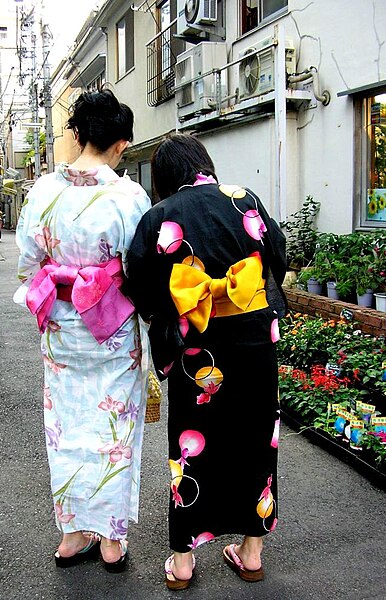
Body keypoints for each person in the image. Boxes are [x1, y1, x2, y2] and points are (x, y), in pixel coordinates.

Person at [127, 133, 287, 590]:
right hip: (255, 343)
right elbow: (277, 253)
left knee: (192, 447)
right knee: (257, 440)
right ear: (205, 164)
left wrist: (171, 309)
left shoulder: (160, 217)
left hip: (199, 349)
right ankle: (251, 554)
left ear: (164, 178)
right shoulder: (245, 199)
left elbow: (139, 283)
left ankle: (181, 562)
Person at [13, 89, 151, 571]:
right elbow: (142, 268)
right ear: (120, 143)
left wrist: (63, 277)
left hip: (62, 332)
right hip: (112, 330)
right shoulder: (129, 196)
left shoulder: (42, 193)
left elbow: (28, 266)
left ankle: (72, 536)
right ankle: (112, 543)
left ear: (77, 135)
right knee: (115, 430)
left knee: (67, 430)